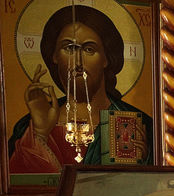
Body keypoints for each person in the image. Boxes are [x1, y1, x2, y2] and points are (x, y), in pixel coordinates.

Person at [8, 5, 152, 173]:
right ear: (54, 56)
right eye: (69, 48)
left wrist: (145, 163)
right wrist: (39, 135)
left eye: (89, 49)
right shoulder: (28, 127)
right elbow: (14, 181)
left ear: (106, 58)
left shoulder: (138, 124)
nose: (77, 62)